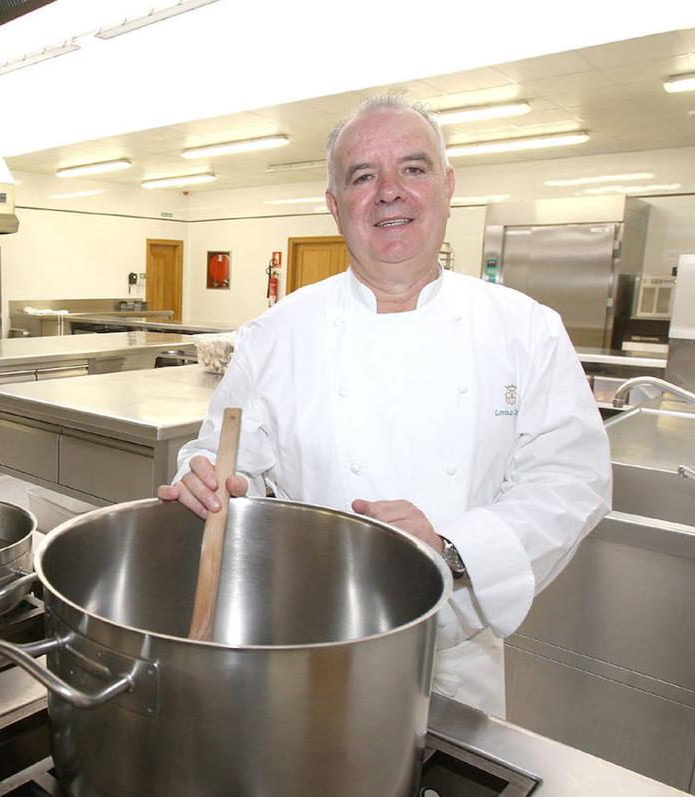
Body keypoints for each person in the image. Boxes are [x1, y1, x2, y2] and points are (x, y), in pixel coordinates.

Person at [157, 94, 612, 717]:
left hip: (456, 657)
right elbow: (224, 454)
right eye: (363, 176)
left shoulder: (525, 331)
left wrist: (452, 549)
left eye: (413, 168)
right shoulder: (275, 334)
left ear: (448, 188)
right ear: (334, 204)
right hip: (305, 644)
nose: (389, 192)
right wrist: (203, 477)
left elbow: (570, 478)